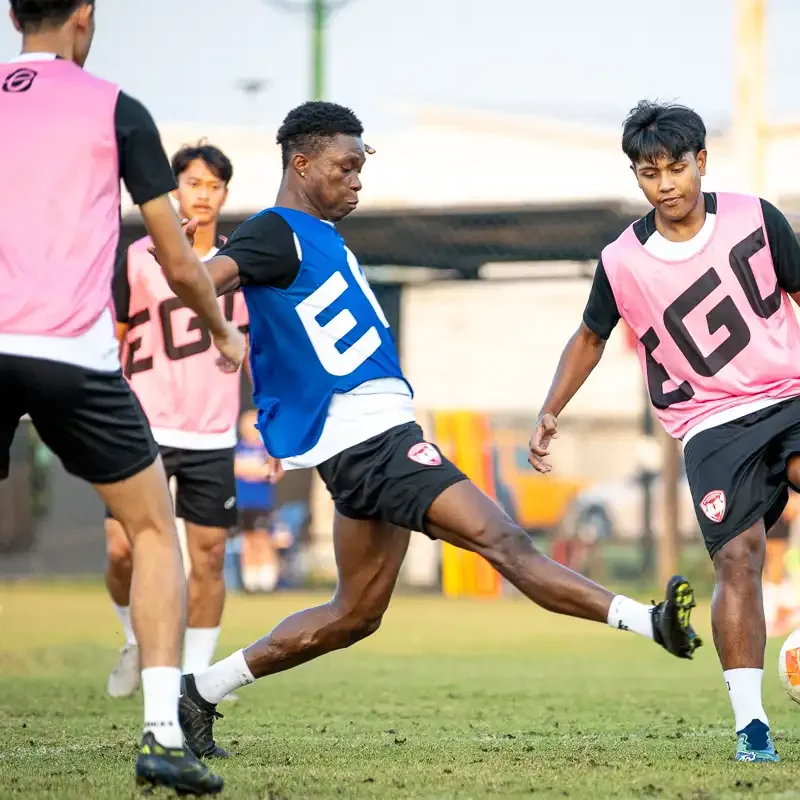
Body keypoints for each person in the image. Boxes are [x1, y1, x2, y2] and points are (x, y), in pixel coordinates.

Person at [146, 100, 700, 761]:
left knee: (355, 614)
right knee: (506, 541)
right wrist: (223, 331)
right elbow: (197, 281)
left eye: (360, 169)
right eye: (345, 168)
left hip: (369, 440)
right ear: (300, 163)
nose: (356, 181)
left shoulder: (317, 234)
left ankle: (199, 691)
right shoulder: (277, 230)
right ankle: (651, 622)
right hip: (374, 443)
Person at [0, 1, 241, 792]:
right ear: (84, 16)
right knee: (151, 532)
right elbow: (177, 260)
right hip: (73, 356)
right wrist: (224, 331)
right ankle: (164, 737)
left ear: (10, 15)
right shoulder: (115, 106)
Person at [528, 99, 800, 763]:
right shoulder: (622, 260)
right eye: (649, 173)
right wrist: (551, 408)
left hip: (791, 393)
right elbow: (591, 335)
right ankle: (751, 727)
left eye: (676, 167)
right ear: (637, 177)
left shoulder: (757, 218)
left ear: (701, 161)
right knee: (737, 559)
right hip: (709, 423)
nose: (666, 183)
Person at [105, 143, 248, 722]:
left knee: (209, 557)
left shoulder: (244, 265)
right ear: (175, 190)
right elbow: (111, 334)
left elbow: (256, 344)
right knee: (122, 549)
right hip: (142, 424)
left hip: (213, 432)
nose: (203, 194)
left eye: (214, 185)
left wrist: (267, 415)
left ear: (225, 195)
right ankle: (135, 640)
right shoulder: (138, 257)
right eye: (193, 182)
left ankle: (193, 677)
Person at [234, 409, 281, 593]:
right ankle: (251, 582)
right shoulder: (237, 448)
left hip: (262, 503)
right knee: (247, 540)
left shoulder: (267, 449)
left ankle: (268, 581)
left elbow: (271, 471)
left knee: (263, 539)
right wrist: (253, 470)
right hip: (242, 503)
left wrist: (249, 470)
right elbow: (235, 468)